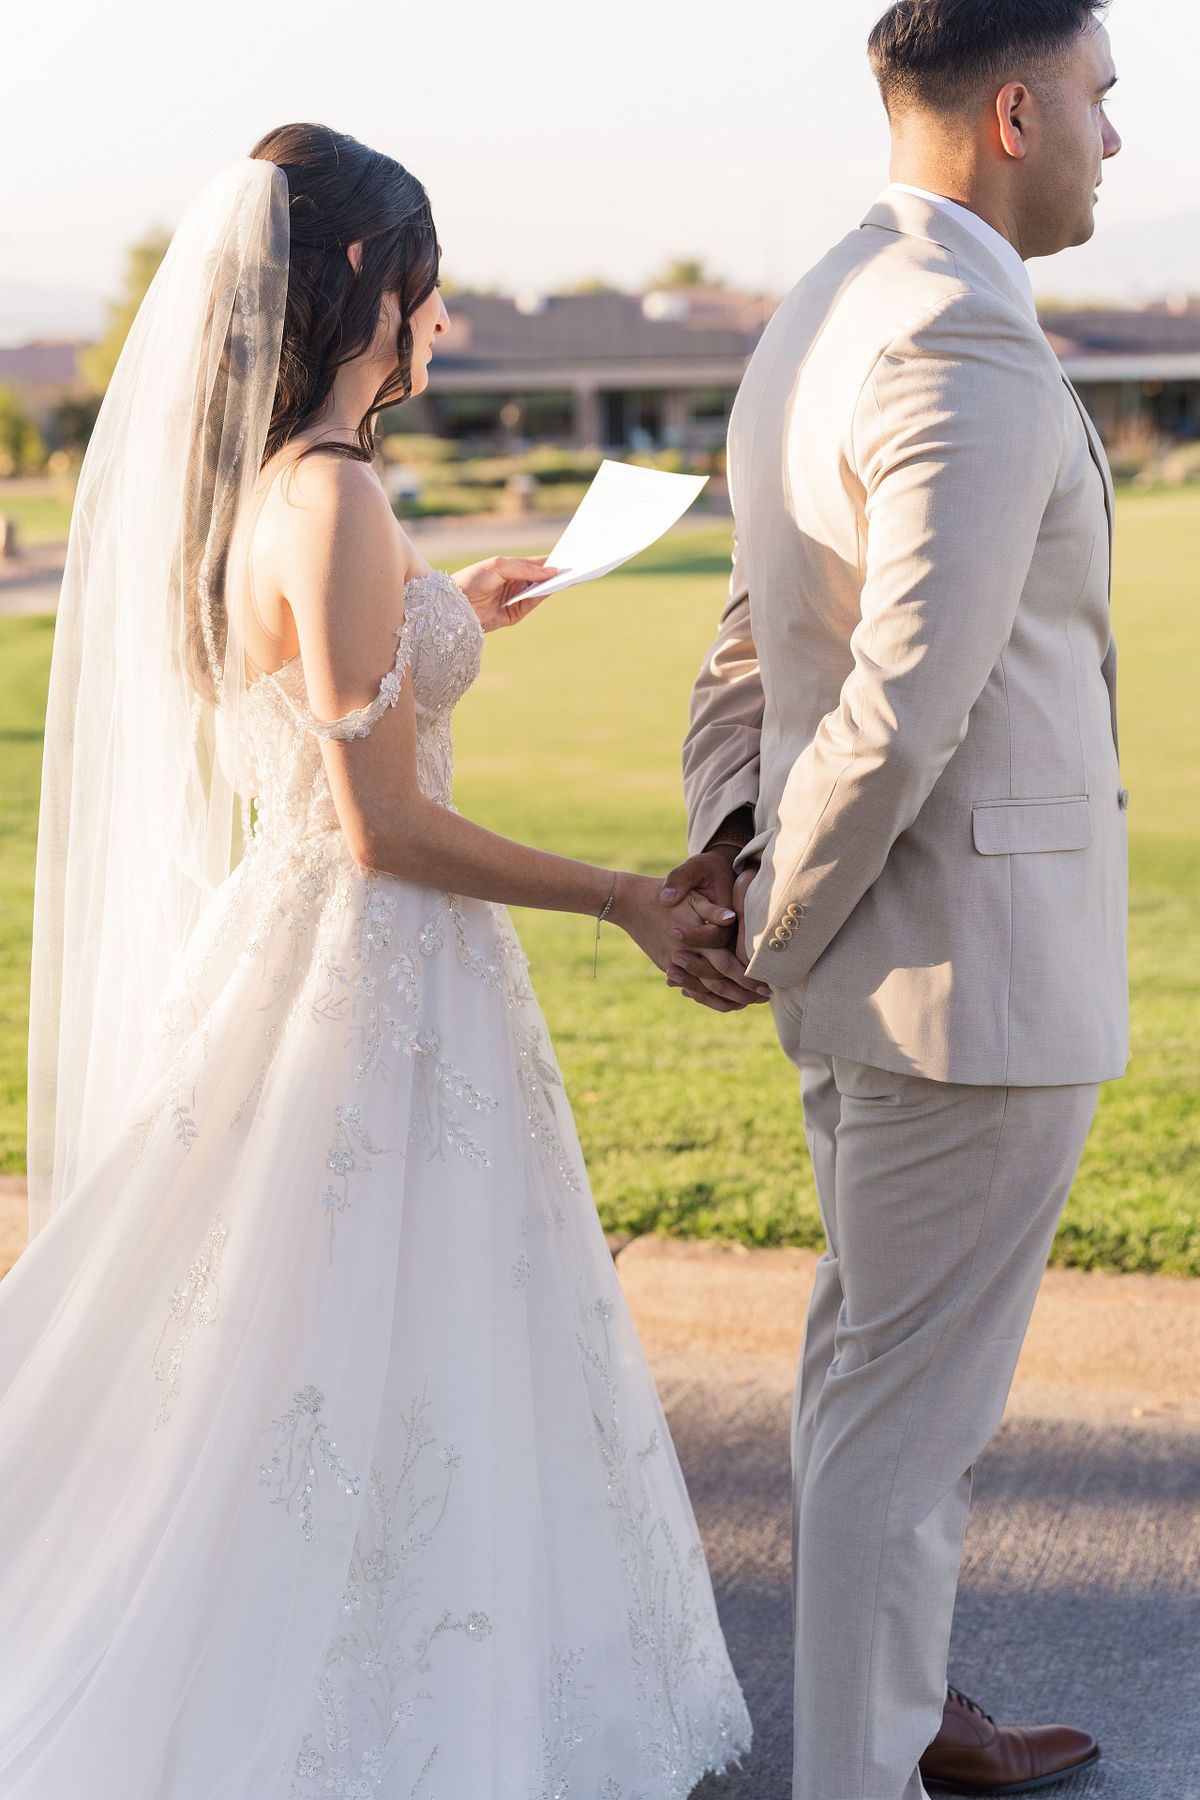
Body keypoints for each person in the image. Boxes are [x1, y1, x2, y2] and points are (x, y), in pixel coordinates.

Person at [0, 124, 751, 1797]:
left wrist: (452, 606)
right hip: (373, 964)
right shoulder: (332, 493)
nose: (442, 321)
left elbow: (319, 684)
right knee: (367, 1324)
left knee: (335, 1332)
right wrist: (624, 897)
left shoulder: (285, 484)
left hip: (329, 959)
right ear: (361, 278)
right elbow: (383, 827)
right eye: (430, 285)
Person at [666, 2, 1127, 1795]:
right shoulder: (961, 333)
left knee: (868, 1374)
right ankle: (860, 1769)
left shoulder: (820, 306)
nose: (1114, 140)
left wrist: (736, 846)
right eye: (1098, 100)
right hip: (966, 980)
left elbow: (748, 643)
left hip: (883, 964)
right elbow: (905, 701)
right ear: (1014, 111)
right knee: (901, 1422)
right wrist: (774, 913)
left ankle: (910, 1715)